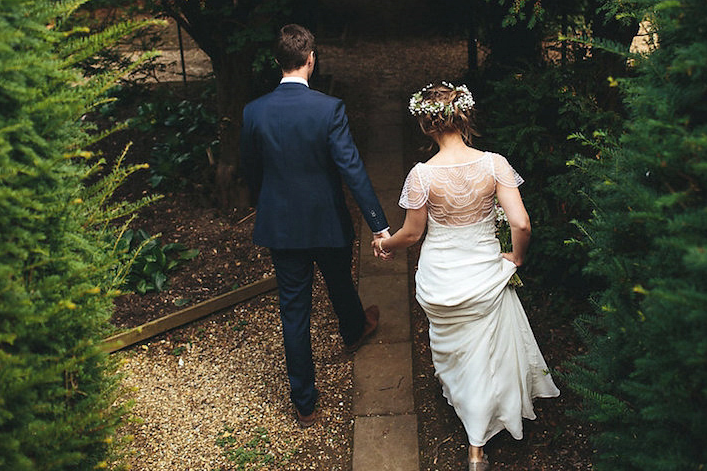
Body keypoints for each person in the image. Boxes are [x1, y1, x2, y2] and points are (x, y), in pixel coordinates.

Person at [372, 82, 560, 471]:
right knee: (488, 350)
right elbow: (521, 222)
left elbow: (412, 234)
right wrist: (515, 259)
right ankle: (480, 441)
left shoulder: (421, 175)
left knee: (457, 354)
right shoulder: (495, 164)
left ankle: (475, 439)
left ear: (426, 126)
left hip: (442, 280)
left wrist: (386, 245)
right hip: (483, 276)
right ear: (466, 116)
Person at [240, 24, 391, 428]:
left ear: (278, 62)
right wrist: (378, 225)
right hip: (326, 220)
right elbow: (352, 170)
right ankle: (355, 330)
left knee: (294, 311)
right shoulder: (329, 109)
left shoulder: (253, 111)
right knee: (339, 277)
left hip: (282, 227)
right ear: (311, 59)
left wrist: (266, 203)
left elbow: (251, 170)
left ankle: (304, 403)